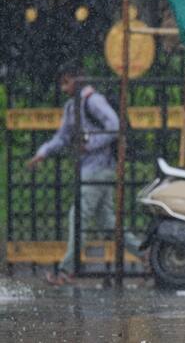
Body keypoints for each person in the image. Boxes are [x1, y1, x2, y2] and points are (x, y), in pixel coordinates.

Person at [26, 63, 144, 285]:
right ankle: (145, 255)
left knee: (78, 217)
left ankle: (66, 271)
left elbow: (115, 125)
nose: (64, 88)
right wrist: (42, 153)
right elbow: (62, 137)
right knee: (108, 222)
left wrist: (90, 144)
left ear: (78, 79)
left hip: (99, 169)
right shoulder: (72, 106)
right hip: (90, 170)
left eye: (67, 82)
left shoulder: (93, 100)